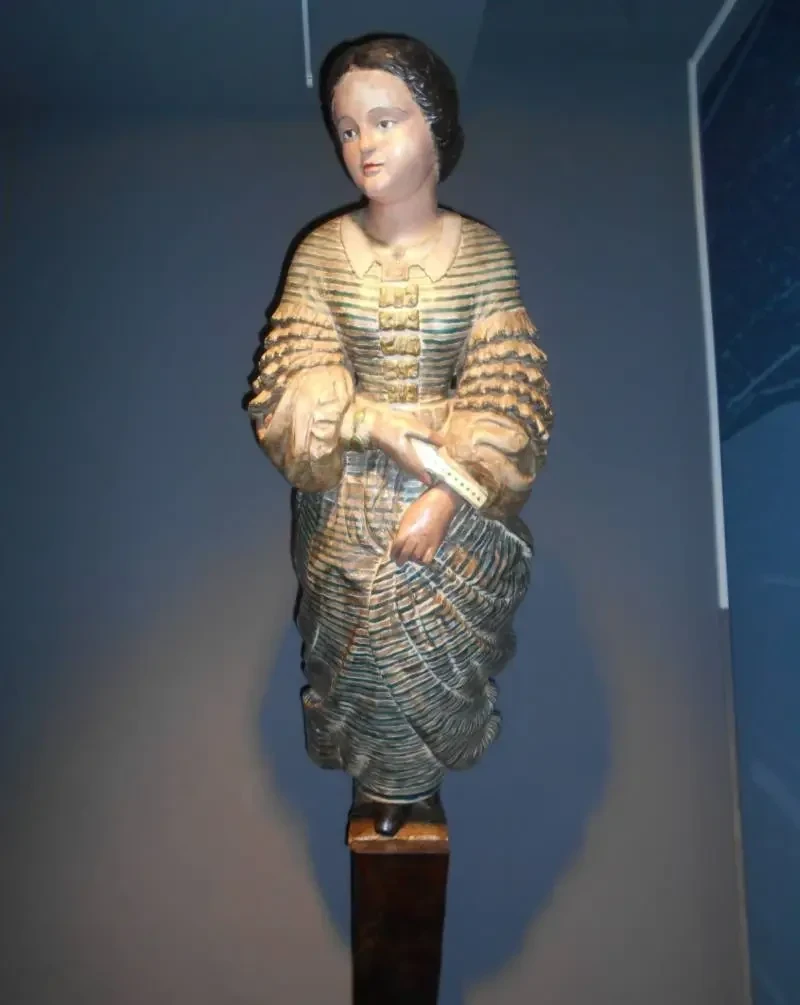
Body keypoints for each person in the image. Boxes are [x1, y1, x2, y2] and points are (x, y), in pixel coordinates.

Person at [246, 34, 553, 836]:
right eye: (348, 129)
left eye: (385, 121)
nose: (364, 146)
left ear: (435, 125)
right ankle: (384, 792)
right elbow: (289, 381)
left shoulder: (481, 255)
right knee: (358, 660)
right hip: (344, 509)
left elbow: (508, 390)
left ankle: (415, 791)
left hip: (450, 514)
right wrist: (369, 421)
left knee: (433, 663)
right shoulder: (322, 254)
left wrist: (445, 499)